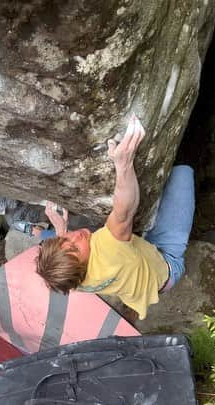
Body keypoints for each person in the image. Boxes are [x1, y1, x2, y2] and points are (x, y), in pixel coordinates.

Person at [36, 114, 195, 320]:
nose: (77, 236)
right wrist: (124, 164)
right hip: (167, 265)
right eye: (75, 248)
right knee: (183, 169)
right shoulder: (107, 251)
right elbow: (124, 211)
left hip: (140, 274)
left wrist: (61, 231)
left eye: (66, 241)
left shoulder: (73, 280)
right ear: (82, 267)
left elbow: (61, 274)